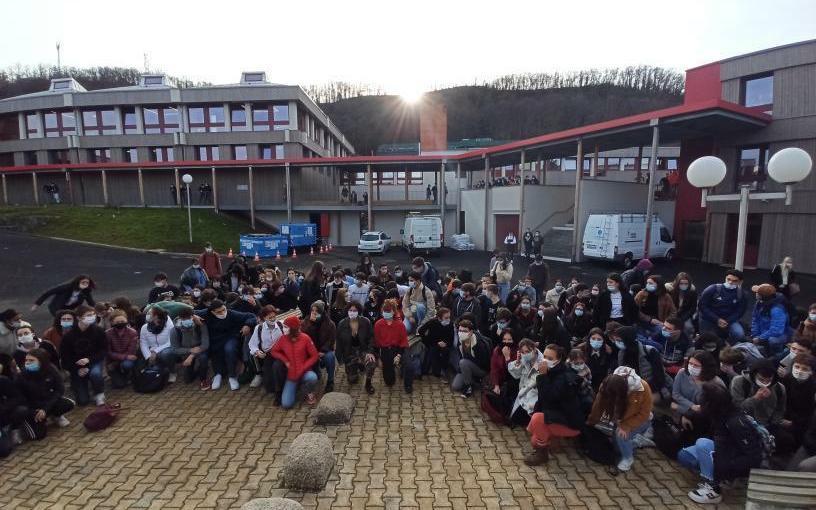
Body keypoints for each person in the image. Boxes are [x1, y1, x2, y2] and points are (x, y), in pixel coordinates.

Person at [678, 383, 764, 504]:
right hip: (723, 450)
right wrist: (687, 414)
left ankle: (714, 489)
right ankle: (712, 472)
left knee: (702, 444)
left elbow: (754, 456)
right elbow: (700, 412)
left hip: (733, 458)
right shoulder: (719, 413)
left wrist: (726, 467)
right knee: (685, 456)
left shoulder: (736, 423)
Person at [524, 343, 584, 465]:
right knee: (534, 438)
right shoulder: (552, 372)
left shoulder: (563, 377)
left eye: (550, 358)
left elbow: (548, 397)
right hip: (557, 414)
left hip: (570, 422)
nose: (545, 360)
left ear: (559, 360)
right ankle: (551, 441)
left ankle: (542, 455)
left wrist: (542, 376)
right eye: (544, 356)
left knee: (537, 421)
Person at [587, 366, 654, 472]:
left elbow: (645, 413)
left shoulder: (642, 388)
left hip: (640, 420)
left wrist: (626, 426)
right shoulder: (608, 384)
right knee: (617, 448)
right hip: (620, 419)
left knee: (621, 435)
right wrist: (591, 421)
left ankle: (628, 459)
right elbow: (598, 404)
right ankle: (637, 442)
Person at [194, 300, 256, 391]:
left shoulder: (231, 313)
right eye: (219, 312)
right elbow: (187, 311)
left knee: (229, 349)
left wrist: (248, 325)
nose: (223, 313)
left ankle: (232, 376)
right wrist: (193, 316)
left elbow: (251, 316)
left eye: (224, 310)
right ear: (212, 312)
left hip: (231, 337)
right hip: (215, 340)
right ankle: (217, 375)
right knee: (216, 350)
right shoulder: (206, 313)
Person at [16, 348, 75, 431]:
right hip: (32, 406)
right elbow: (20, 397)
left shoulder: (51, 369)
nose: (27, 362)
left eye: (31, 360)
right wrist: (34, 411)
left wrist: (45, 409)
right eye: (26, 360)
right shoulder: (21, 375)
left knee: (68, 404)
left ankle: (56, 416)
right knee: (40, 434)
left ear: (41, 361)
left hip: (47, 402)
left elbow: (59, 389)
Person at [59, 306, 106, 406]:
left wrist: (89, 360)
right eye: (88, 315)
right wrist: (76, 369)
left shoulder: (99, 331)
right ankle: (82, 386)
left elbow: (103, 351)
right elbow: (65, 357)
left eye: (93, 314)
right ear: (79, 318)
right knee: (82, 401)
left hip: (93, 362)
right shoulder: (68, 336)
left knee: (96, 374)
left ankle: (99, 394)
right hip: (77, 366)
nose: (92, 317)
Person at [270, 316, 319, 408]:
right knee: (286, 404)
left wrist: (304, 367)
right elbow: (274, 351)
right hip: (291, 376)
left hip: (304, 372)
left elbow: (314, 356)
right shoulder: (283, 339)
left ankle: (309, 391)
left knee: (312, 377)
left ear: (292, 328)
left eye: (286, 327)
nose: (283, 329)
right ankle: (295, 387)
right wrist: (285, 361)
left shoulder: (305, 338)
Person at [611, 325, 666, 402]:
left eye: (619, 340)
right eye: (616, 340)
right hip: (631, 388)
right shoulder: (621, 353)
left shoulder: (649, 351)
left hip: (651, 388)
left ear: (627, 339)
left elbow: (659, 376)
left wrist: (644, 390)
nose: (617, 343)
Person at [730, 358, 786, 433]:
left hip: (768, 425)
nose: (765, 383)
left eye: (769, 380)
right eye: (761, 380)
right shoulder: (739, 382)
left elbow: (780, 409)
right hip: (744, 424)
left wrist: (773, 424)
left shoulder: (779, 388)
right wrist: (755, 398)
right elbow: (737, 407)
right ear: (753, 375)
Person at [671, 351, 725, 423]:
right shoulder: (682, 372)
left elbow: (713, 409)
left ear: (706, 367)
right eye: (690, 363)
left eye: (696, 365)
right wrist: (692, 406)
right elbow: (676, 394)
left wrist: (680, 408)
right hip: (682, 412)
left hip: (704, 419)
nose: (692, 367)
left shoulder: (717, 383)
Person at [778, 353, 815, 454]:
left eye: (805, 369)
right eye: (797, 367)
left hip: (803, 421)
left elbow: (811, 413)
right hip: (784, 415)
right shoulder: (787, 379)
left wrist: (793, 422)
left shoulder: (813, 387)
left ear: (811, 372)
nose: (799, 371)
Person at [336, 302, 377, 394]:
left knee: (371, 362)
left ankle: (368, 383)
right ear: (347, 311)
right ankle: (356, 366)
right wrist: (340, 358)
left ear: (359, 311)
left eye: (355, 310)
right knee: (352, 380)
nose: (352, 312)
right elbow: (338, 342)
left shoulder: (366, 322)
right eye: (350, 310)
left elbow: (371, 338)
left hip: (363, 350)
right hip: (349, 352)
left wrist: (370, 352)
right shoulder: (342, 324)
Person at [374, 302, 414, 394]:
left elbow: (403, 342)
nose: (386, 313)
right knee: (389, 381)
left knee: (409, 366)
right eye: (385, 311)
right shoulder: (378, 325)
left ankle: (408, 384)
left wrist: (399, 355)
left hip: (400, 348)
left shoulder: (400, 325)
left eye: (389, 311)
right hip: (386, 350)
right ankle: (394, 370)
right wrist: (379, 358)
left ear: (394, 312)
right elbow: (377, 343)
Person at [698, 270, 747, 344]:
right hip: (709, 319)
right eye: (728, 279)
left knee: (739, 334)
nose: (730, 282)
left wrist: (728, 321)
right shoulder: (712, 289)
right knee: (709, 339)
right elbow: (702, 306)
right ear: (725, 278)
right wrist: (717, 319)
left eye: (734, 281)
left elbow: (740, 311)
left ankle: (728, 346)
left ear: (740, 282)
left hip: (729, 321)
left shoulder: (742, 294)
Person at [508, 338, 545, 427]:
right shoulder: (524, 360)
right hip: (523, 393)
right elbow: (515, 374)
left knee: (521, 418)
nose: (525, 354)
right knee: (513, 417)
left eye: (527, 351)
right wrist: (517, 361)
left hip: (535, 396)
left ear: (534, 349)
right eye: (522, 352)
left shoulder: (542, 363)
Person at [171, 308, 211, 391]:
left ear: (193, 317)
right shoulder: (175, 330)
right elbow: (175, 349)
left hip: (200, 350)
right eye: (184, 319)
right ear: (179, 318)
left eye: (189, 318)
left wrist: (192, 355)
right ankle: (198, 369)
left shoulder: (201, 325)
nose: (187, 320)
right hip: (186, 352)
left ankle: (203, 379)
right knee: (188, 379)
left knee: (203, 358)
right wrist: (189, 351)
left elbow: (205, 344)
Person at [302, 300, 337, 393]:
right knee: (316, 375)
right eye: (312, 311)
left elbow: (331, 340)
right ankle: (316, 370)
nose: (314, 313)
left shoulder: (330, 324)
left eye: (316, 311)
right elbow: (304, 336)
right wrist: (311, 323)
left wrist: (323, 350)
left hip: (323, 351)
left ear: (322, 312)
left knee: (330, 357)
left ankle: (330, 381)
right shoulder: (306, 321)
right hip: (310, 351)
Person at [451, 319, 491, 398]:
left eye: (465, 331)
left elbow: (483, 363)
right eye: (460, 330)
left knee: (463, 362)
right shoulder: (460, 341)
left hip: (480, 369)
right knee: (455, 386)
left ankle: (468, 387)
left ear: (471, 332)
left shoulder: (478, 344)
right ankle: (472, 381)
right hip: (466, 367)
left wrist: (467, 363)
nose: (461, 333)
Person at [750, 283, 791, 356]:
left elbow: (776, 330)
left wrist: (760, 338)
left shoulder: (777, 309)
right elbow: (755, 319)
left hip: (781, 334)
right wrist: (755, 335)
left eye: (757, 293)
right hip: (764, 332)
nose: (756, 294)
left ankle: (778, 354)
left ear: (763, 296)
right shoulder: (759, 303)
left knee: (773, 340)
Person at [634, 275, 676, 344]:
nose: (648, 285)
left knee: (661, 332)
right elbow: (634, 309)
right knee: (640, 336)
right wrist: (649, 319)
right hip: (642, 321)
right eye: (647, 283)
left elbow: (673, 311)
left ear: (658, 284)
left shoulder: (666, 296)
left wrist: (666, 322)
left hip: (660, 322)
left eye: (651, 283)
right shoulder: (641, 294)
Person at [31, 275, 96, 317]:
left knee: (74, 319)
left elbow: (91, 302)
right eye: (83, 282)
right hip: (56, 307)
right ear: (78, 282)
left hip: (70, 308)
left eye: (87, 283)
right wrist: (36, 305)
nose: (85, 284)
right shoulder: (66, 287)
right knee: (62, 320)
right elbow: (48, 293)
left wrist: (97, 309)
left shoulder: (86, 291)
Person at [488, 329, 519, 416]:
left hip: (513, 380)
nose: (506, 342)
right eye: (504, 339)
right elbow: (494, 368)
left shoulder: (518, 351)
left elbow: (514, 371)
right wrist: (496, 385)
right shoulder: (497, 350)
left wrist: (507, 358)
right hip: (500, 378)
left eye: (509, 340)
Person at [105, 311, 139, 389]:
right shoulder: (107, 334)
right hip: (113, 361)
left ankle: (127, 374)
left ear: (126, 321)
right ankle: (119, 375)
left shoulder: (132, 332)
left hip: (124, 361)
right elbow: (108, 352)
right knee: (119, 385)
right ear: (112, 322)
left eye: (122, 321)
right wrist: (123, 358)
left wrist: (120, 359)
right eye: (117, 322)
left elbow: (131, 351)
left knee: (127, 365)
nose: (120, 323)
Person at [417, 307, 454, 378]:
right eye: (446, 318)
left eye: (449, 317)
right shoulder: (432, 322)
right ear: (440, 318)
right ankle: (435, 369)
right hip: (433, 343)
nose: (448, 320)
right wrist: (428, 342)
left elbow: (451, 338)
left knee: (446, 351)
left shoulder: (450, 324)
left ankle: (444, 368)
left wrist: (446, 343)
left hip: (445, 344)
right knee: (433, 352)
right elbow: (421, 331)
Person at [580, 328, 615, 393]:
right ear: (589, 339)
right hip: (586, 386)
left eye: (599, 339)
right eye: (593, 338)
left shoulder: (608, 352)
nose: (596, 341)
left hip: (602, 386)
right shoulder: (582, 351)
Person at [666, 272, 698, 337]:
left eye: (686, 283)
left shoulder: (692, 292)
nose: (683, 285)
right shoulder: (670, 290)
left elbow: (693, 308)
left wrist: (683, 318)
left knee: (688, 328)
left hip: (684, 315)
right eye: (681, 283)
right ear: (677, 283)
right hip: (670, 314)